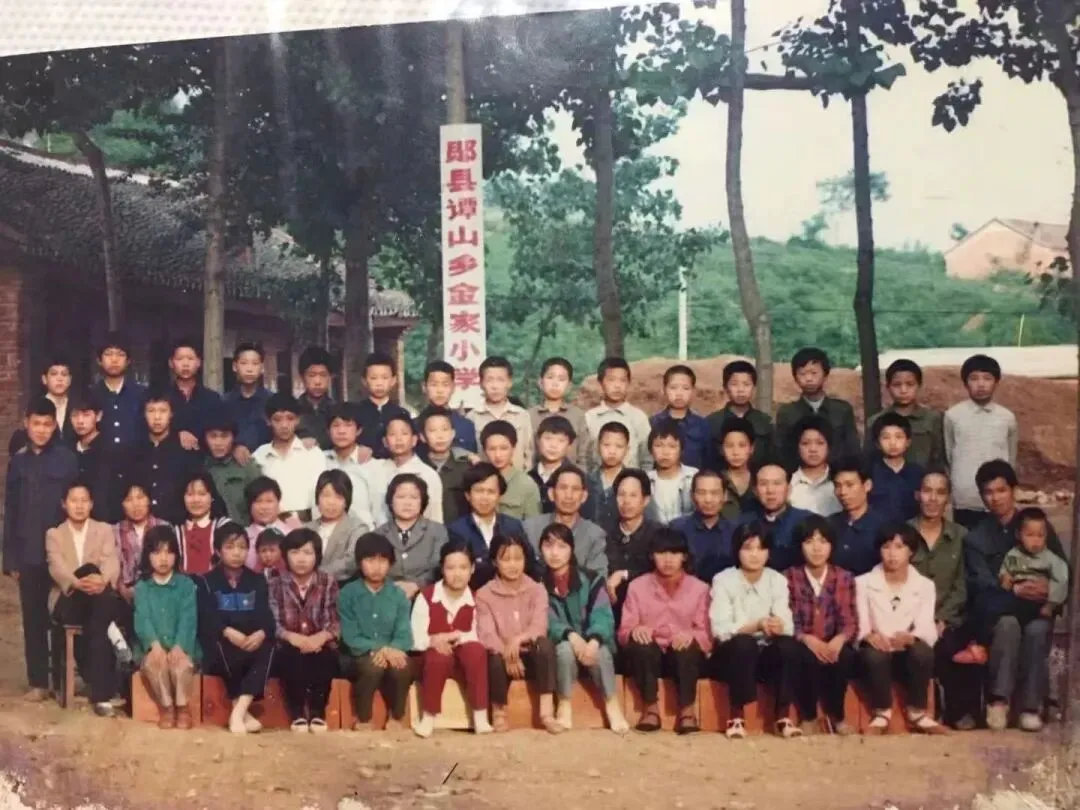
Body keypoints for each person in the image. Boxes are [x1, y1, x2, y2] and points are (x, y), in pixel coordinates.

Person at [964, 460, 1068, 731]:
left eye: (1001, 490)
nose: (995, 498)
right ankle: (998, 702)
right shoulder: (976, 538)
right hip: (1001, 611)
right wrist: (1016, 591)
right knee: (1007, 625)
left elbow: (1062, 571)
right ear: (981, 497)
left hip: (1039, 608)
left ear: (1014, 490)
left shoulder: (1037, 525)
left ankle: (1030, 707)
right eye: (988, 492)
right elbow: (983, 587)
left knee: (1036, 630)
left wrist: (1050, 592)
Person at [3, 397, 78, 701]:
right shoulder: (18, 462)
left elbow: (76, 505)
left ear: (54, 426)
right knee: (33, 617)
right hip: (28, 551)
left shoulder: (67, 460)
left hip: (60, 551)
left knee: (61, 615)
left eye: (48, 424)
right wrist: (10, 558)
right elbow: (11, 510)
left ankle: (61, 680)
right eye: (36, 424)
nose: (42, 430)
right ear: (26, 423)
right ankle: (38, 681)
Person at [710, 522, 802, 739]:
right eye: (748, 548)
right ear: (737, 550)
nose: (754, 555)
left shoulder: (777, 580)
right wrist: (757, 625)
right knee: (744, 643)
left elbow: (787, 625)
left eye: (761, 548)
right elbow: (721, 630)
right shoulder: (723, 580)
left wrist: (777, 625)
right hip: (731, 654)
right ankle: (736, 717)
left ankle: (783, 717)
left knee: (788, 645)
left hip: (765, 653)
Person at [46, 480, 129, 716]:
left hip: (97, 599)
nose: (79, 505)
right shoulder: (54, 534)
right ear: (64, 504)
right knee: (90, 571)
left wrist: (102, 580)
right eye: (74, 500)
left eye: (84, 500)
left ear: (92, 504)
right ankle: (114, 636)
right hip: (68, 599)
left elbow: (111, 561)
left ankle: (101, 697)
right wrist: (79, 582)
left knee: (97, 618)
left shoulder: (103, 530)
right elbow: (56, 567)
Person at [618, 528, 710, 735]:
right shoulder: (637, 586)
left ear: (684, 556)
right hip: (651, 656)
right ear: (652, 555)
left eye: (674, 553)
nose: (668, 559)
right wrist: (635, 630)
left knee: (687, 648)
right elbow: (624, 630)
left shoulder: (700, 588)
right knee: (640, 645)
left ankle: (687, 711)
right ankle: (650, 709)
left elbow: (706, 634)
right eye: (662, 553)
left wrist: (691, 635)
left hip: (683, 655)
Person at [537, 523, 628, 733]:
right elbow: (547, 619)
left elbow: (603, 616)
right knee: (564, 651)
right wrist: (570, 636)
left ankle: (612, 704)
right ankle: (564, 704)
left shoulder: (592, 579)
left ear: (571, 549)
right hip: (564, 642)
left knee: (601, 652)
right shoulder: (538, 584)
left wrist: (593, 640)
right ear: (541, 549)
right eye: (548, 546)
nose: (555, 553)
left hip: (594, 641)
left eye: (562, 546)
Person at [856, 523, 945, 735]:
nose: (892, 554)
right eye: (886, 547)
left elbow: (926, 625)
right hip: (877, 649)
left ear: (910, 551)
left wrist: (910, 638)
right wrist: (869, 636)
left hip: (906, 650)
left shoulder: (925, 585)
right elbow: (861, 622)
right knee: (873, 655)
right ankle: (881, 713)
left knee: (922, 651)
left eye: (899, 547)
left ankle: (917, 713)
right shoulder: (863, 582)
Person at [909, 468, 978, 729]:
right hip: (910, 618)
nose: (932, 498)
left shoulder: (961, 536)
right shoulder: (903, 533)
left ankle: (959, 713)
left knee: (953, 646)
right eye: (927, 491)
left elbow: (962, 585)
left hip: (950, 618)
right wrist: (921, 621)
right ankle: (927, 710)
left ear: (948, 498)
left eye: (940, 492)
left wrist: (942, 619)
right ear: (917, 494)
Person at [196, 522, 276, 734]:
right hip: (223, 641)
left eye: (242, 547)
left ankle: (238, 712)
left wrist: (260, 633)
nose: (237, 553)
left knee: (268, 646)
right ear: (218, 550)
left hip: (250, 640)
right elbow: (207, 616)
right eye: (230, 547)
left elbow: (266, 614)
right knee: (219, 646)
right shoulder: (206, 581)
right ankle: (242, 713)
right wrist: (228, 632)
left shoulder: (257, 580)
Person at [477, 533, 561, 733]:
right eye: (506, 559)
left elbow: (539, 626)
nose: (513, 565)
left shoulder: (537, 590)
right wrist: (508, 654)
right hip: (502, 657)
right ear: (495, 562)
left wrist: (518, 640)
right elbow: (487, 634)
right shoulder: (484, 594)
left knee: (545, 646)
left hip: (530, 656)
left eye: (518, 558)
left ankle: (547, 713)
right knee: (492, 658)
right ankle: (499, 713)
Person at [410, 538, 494, 738]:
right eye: (451, 568)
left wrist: (455, 637)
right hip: (432, 660)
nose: (457, 574)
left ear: (472, 569)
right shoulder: (427, 597)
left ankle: (480, 716)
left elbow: (480, 634)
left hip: (464, 660)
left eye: (463, 567)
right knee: (438, 656)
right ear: (442, 569)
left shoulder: (477, 598)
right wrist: (434, 640)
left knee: (475, 651)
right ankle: (428, 717)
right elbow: (415, 637)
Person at [784, 516, 857, 736]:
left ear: (832, 545)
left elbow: (849, 619)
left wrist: (840, 639)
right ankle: (808, 716)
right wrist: (806, 638)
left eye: (823, 542)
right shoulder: (789, 577)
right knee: (800, 655)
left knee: (844, 656)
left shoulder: (844, 577)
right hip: (803, 641)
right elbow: (789, 618)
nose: (816, 549)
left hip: (834, 640)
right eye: (809, 542)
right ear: (800, 546)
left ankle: (838, 716)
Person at [338, 532, 414, 731]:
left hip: (392, 653)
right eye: (370, 560)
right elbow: (351, 636)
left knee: (402, 666)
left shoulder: (398, 595)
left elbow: (404, 635)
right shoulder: (348, 594)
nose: (376, 566)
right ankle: (364, 718)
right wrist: (381, 649)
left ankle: (396, 717)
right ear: (359, 563)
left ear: (390, 563)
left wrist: (392, 650)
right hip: (357, 655)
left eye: (382, 560)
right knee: (373, 666)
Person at [268, 527, 341, 733]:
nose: (301, 559)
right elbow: (272, 621)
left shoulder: (328, 581)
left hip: (320, 642)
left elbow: (334, 620)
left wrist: (321, 637)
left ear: (317, 556)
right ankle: (298, 713)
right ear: (285, 555)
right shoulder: (274, 583)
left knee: (325, 657)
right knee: (291, 657)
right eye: (295, 552)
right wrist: (290, 637)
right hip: (287, 644)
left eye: (308, 553)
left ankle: (318, 713)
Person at [132, 525, 200, 730]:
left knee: (180, 665)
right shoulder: (142, 587)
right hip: (153, 646)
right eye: (157, 552)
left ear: (176, 555)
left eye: (169, 552)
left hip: (181, 644)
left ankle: (182, 707)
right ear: (147, 556)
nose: (163, 559)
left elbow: (188, 618)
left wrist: (180, 645)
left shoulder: (186, 585)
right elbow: (142, 618)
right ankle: (167, 707)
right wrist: (154, 645)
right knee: (155, 664)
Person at [945, 354, 1018, 529]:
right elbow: (949, 454)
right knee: (966, 539)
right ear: (965, 383)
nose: (981, 384)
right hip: (965, 497)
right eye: (974, 379)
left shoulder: (1007, 417)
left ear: (996, 382)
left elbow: (1011, 456)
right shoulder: (953, 416)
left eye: (987, 378)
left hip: (998, 497)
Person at [447, 462, 533, 588]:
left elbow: (529, 563)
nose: (485, 498)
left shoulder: (513, 526)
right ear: (468, 495)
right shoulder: (456, 530)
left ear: (500, 496)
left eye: (491, 492)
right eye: (479, 491)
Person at [775, 347, 858, 470]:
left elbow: (852, 449)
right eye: (802, 374)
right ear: (795, 378)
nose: (808, 378)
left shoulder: (842, 410)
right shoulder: (787, 413)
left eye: (814, 373)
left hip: (837, 475)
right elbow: (782, 452)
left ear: (825, 375)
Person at [128, 389, 203, 524]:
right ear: (144, 414)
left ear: (171, 413)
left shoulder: (186, 450)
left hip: (178, 526)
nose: (157, 417)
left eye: (163, 411)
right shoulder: (133, 451)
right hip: (142, 526)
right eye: (151, 411)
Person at [252, 392, 326, 521]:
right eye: (277, 420)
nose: (284, 425)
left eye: (290, 418)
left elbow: (322, 493)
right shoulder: (259, 456)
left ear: (298, 419)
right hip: (271, 525)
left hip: (308, 524)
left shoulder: (312, 453)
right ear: (268, 421)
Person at [523, 465, 609, 577]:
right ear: (551, 494)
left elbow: (598, 578)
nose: (569, 496)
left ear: (584, 496)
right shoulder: (531, 528)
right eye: (563, 488)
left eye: (575, 489)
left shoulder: (594, 535)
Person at [374, 473, 446, 599]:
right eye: (401, 497)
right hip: (386, 597)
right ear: (390, 501)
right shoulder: (378, 534)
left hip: (427, 597)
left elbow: (439, 566)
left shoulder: (437, 531)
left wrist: (417, 585)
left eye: (414, 497)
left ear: (422, 501)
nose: (407, 503)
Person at [865, 359, 945, 468]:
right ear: (888, 387)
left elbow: (939, 457)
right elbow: (868, 459)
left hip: (924, 478)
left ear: (919, 385)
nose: (903, 390)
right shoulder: (875, 421)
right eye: (897, 385)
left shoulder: (933, 418)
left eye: (910, 384)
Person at [734, 462, 813, 572]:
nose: (770, 490)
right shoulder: (742, 522)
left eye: (777, 483)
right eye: (763, 484)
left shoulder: (807, 520)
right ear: (755, 491)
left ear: (789, 489)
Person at [604, 469, 664, 609]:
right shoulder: (604, 533)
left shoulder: (660, 534)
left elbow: (663, 573)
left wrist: (625, 574)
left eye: (633, 495)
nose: (626, 501)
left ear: (645, 500)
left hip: (650, 609)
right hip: (610, 609)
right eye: (621, 495)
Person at [369, 415, 443, 524]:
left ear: (414, 440)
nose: (398, 439)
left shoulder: (427, 474)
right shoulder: (375, 470)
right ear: (385, 441)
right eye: (392, 434)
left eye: (404, 433)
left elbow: (435, 518)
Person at [999, 508, 1069, 623]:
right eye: (1030, 535)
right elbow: (1006, 567)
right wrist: (1005, 577)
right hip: (1016, 598)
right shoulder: (1013, 554)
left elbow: (1061, 581)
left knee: (1037, 625)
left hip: (1038, 603)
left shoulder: (1051, 559)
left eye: (1040, 535)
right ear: (1018, 535)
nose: (1036, 541)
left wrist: (1050, 605)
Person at [69, 387, 127, 523]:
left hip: (106, 525)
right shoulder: (68, 451)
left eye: (86, 415)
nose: (80, 421)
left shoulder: (113, 451)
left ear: (99, 416)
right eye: (75, 415)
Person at [584, 357, 651, 470]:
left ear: (628, 383)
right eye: (611, 380)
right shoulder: (589, 418)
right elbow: (584, 458)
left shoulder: (639, 417)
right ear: (600, 382)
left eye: (622, 380)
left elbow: (647, 459)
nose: (617, 386)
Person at [469, 356, 535, 471]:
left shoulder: (522, 415)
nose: (495, 386)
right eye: (489, 380)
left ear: (509, 383)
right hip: (485, 479)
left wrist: (524, 477)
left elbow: (529, 453)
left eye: (500, 380)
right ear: (481, 383)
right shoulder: (472, 417)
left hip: (516, 478)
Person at [671, 469, 736, 585]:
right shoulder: (677, 529)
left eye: (714, 493)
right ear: (692, 495)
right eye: (701, 493)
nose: (708, 500)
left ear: (725, 496)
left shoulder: (735, 531)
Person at [828, 457, 890, 576]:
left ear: (867, 485)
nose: (843, 492)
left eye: (849, 485)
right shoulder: (829, 524)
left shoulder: (884, 527)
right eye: (838, 485)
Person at [707, 360, 774, 469]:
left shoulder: (765, 422)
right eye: (734, 384)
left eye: (746, 384)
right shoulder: (711, 422)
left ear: (754, 388)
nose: (741, 390)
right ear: (725, 388)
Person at [306, 469, 368, 583]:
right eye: (326, 496)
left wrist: (315, 576)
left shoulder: (357, 528)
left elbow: (350, 561)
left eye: (338, 497)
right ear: (317, 498)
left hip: (343, 586)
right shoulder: (307, 529)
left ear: (347, 501)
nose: (331, 502)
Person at [323, 402, 379, 527]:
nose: (341, 431)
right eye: (336, 425)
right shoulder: (319, 460)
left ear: (359, 430)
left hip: (363, 533)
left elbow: (379, 512)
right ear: (328, 431)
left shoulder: (371, 465)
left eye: (348, 425)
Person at [204, 410, 262, 525]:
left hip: (243, 530)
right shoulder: (200, 467)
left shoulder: (246, 465)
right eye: (213, 436)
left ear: (233, 438)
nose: (218, 442)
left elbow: (260, 502)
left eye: (224, 436)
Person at [527, 357, 588, 466]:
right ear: (540, 382)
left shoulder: (578, 415)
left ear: (569, 386)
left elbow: (583, 454)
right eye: (550, 377)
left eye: (561, 379)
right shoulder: (529, 415)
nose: (555, 383)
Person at [115, 480, 167, 605]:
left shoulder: (164, 527)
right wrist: (123, 590)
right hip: (124, 596)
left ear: (148, 500)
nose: (136, 504)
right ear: (122, 504)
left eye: (140, 497)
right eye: (129, 500)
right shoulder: (115, 531)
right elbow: (114, 568)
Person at [165, 337, 222, 450]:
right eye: (180, 359)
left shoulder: (212, 398)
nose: (185, 364)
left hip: (203, 457)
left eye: (190, 359)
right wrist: (176, 435)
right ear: (171, 363)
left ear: (198, 363)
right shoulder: (162, 397)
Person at [9, 357, 75, 454]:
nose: (59, 379)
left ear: (70, 379)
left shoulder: (76, 408)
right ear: (44, 379)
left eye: (64, 374)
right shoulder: (34, 406)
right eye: (54, 374)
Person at [652, 364, 711, 471]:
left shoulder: (702, 425)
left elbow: (709, 461)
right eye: (673, 388)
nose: (679, 393)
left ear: (693, 391)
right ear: (664, 390)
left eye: (685, 388)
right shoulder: (654, 423)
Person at [354, 352, 412, 459]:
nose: (379, 383)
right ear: (364, 381)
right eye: (373, 378)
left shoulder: (402, 413)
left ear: (393, 380)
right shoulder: (355, 412)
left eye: (384, 378)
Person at [93, 332, 147, 447]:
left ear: (128, 361)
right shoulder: (91, 394)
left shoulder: (142, 394)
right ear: (99, 360)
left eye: (120, 354)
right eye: (108, 354)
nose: (114, 359)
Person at [417, 406, 470, 523]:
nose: (440, 436)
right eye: (432, 430)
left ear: (453, 433)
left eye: (445, 429)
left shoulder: (467, 468)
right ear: (422, 437)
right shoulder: (417, 468)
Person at [173, 471, 231, 576]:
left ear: (212, 496)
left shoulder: (224, 526)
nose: (196, 500)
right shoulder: (175, 530)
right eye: (190, 494)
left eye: (202, 494)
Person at [868, 412, 922, 524]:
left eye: (898, 437)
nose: (892, 443)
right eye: (886, 437)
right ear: (877, 443)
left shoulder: (918, 473)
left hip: (910, 531)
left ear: (908, 442)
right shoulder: (869, 473)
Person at [480, 421, 540, 520]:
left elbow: (533, 524)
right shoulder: (477, 481)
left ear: (513, 448)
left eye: (504, 448)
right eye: (492, 449)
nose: (498, 455)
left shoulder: (526, 484)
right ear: (484, 450)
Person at [223, 341, 272, 460]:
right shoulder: (224, 402)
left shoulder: (272, 401)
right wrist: (234, 447)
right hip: (231, 462)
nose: (249, 369)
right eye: (244, 363)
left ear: (262, 368)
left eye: (255, 363)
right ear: (235, 366)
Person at [242, 476, 301, 570]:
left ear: (278, 502)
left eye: (269, 501)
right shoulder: (243, 537)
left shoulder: (293, 533)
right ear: (249, 505)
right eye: (258, 501)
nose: (264, 507)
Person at [418, 360, 477, 454]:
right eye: (434, 384)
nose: (440, 390)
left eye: (445, 385)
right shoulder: (413, 426)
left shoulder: (466, 426)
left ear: (453, 387)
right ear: (424, 387)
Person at [787, 416, 841, 516]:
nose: (813, 449)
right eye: (805, 443)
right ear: (797, 446)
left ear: (829, 446)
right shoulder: (788, 484)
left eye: (820, 443)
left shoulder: (839, 483)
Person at [645, 420, 697, 525]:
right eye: (658, 445)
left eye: (672, 446)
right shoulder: (644, 480)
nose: (665, 452)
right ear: (650, 449)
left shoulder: (694, 476)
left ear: (681, 449)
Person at [529, 415, 576, 513]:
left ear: (569, 446)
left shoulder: (576, 479)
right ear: (538, 441)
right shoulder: (528, 478)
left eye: (561, 440)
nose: (553, 445)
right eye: (548, 438)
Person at [295, 346, 337, 451]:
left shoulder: (339, 410)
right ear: (302, 377)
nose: (317, 381)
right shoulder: (292, 411)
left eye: (323, 375)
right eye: (312, 375)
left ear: (330, 377)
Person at [714, 417, 758, 516]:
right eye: (729, 446)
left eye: (742, 445)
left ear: (752, 448)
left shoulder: (759, 480)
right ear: (721, 449)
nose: (735, 452)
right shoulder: (716, 481)